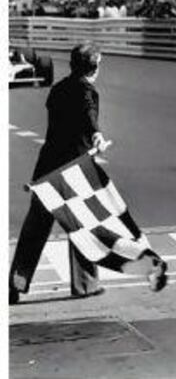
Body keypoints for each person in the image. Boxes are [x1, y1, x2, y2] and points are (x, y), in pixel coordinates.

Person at [10, 43, 111, 304]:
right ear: (95, 67)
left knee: (34, 230)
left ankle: (15, 284)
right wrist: (97, 135)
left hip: (47, 167)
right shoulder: (88, 91)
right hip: (74, 169)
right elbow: (88, 111)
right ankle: (85, 285)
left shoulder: (56, 90)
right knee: (82, 227)